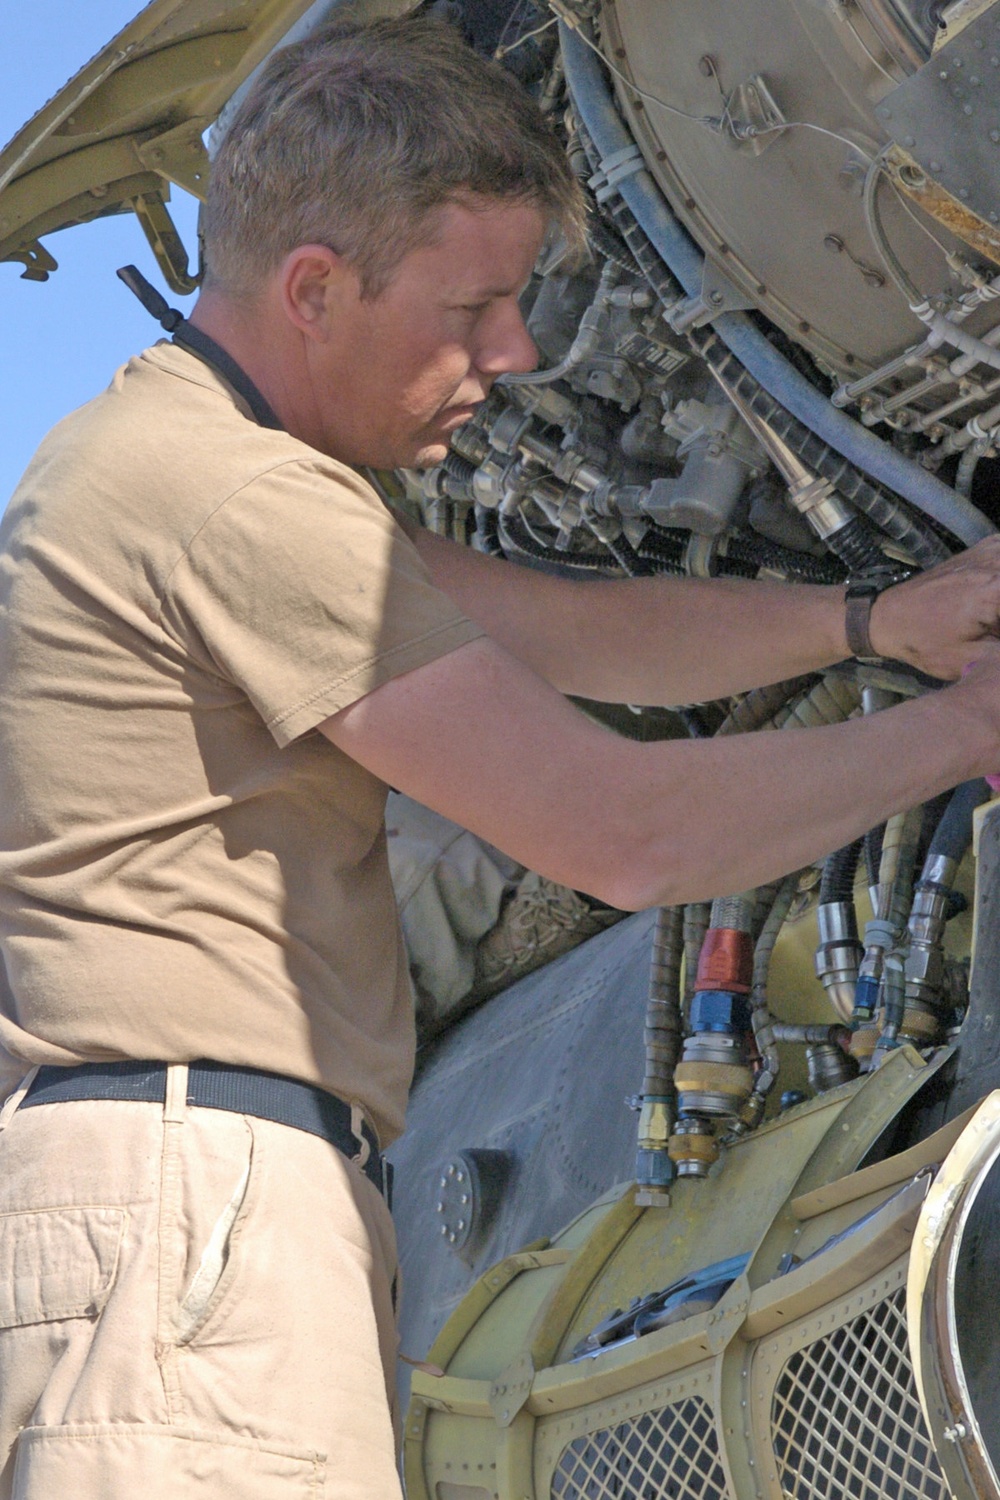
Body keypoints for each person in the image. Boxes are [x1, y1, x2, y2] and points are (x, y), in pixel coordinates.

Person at [1, 14, 1000, 1499]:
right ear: (316, 290)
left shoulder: (173, 461)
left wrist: (872, 621)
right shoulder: (233, 500)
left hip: (201, 1211)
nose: (516, 353)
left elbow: (576, 637)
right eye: (477, 305)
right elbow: (625, 832)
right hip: (194, 1223)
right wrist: (969, 730)